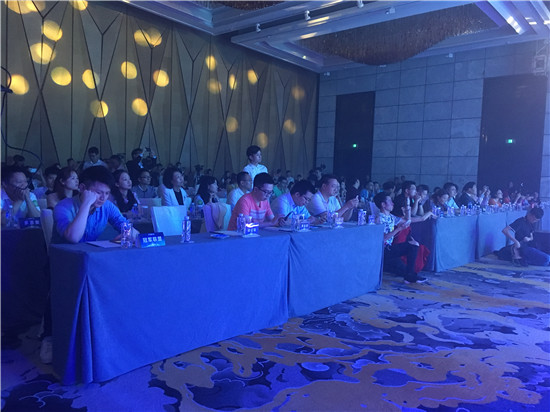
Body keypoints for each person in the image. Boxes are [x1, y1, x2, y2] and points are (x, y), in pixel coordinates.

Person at [52, 166, 137, 244]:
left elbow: (131, 230)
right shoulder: (63, 206)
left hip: (90, 253)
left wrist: (128, 234)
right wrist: (86, 204)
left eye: (107, 193)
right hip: (64, 254)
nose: (103, 198)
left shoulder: (107, 206)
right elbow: (73, 237)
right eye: (98, 192)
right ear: (82, 188)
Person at [373, 192, 426, 284]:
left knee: (414, 246)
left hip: (389, 248)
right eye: (390, 201)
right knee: (411, 247)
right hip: (382, 249)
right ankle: (409, 276)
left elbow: (407, 222)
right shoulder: (378, 219)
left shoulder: (391, 217)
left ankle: (409, 276)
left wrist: (408, 208)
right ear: (383, 204)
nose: (392, 203)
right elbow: (383, 238)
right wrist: (398, 229)